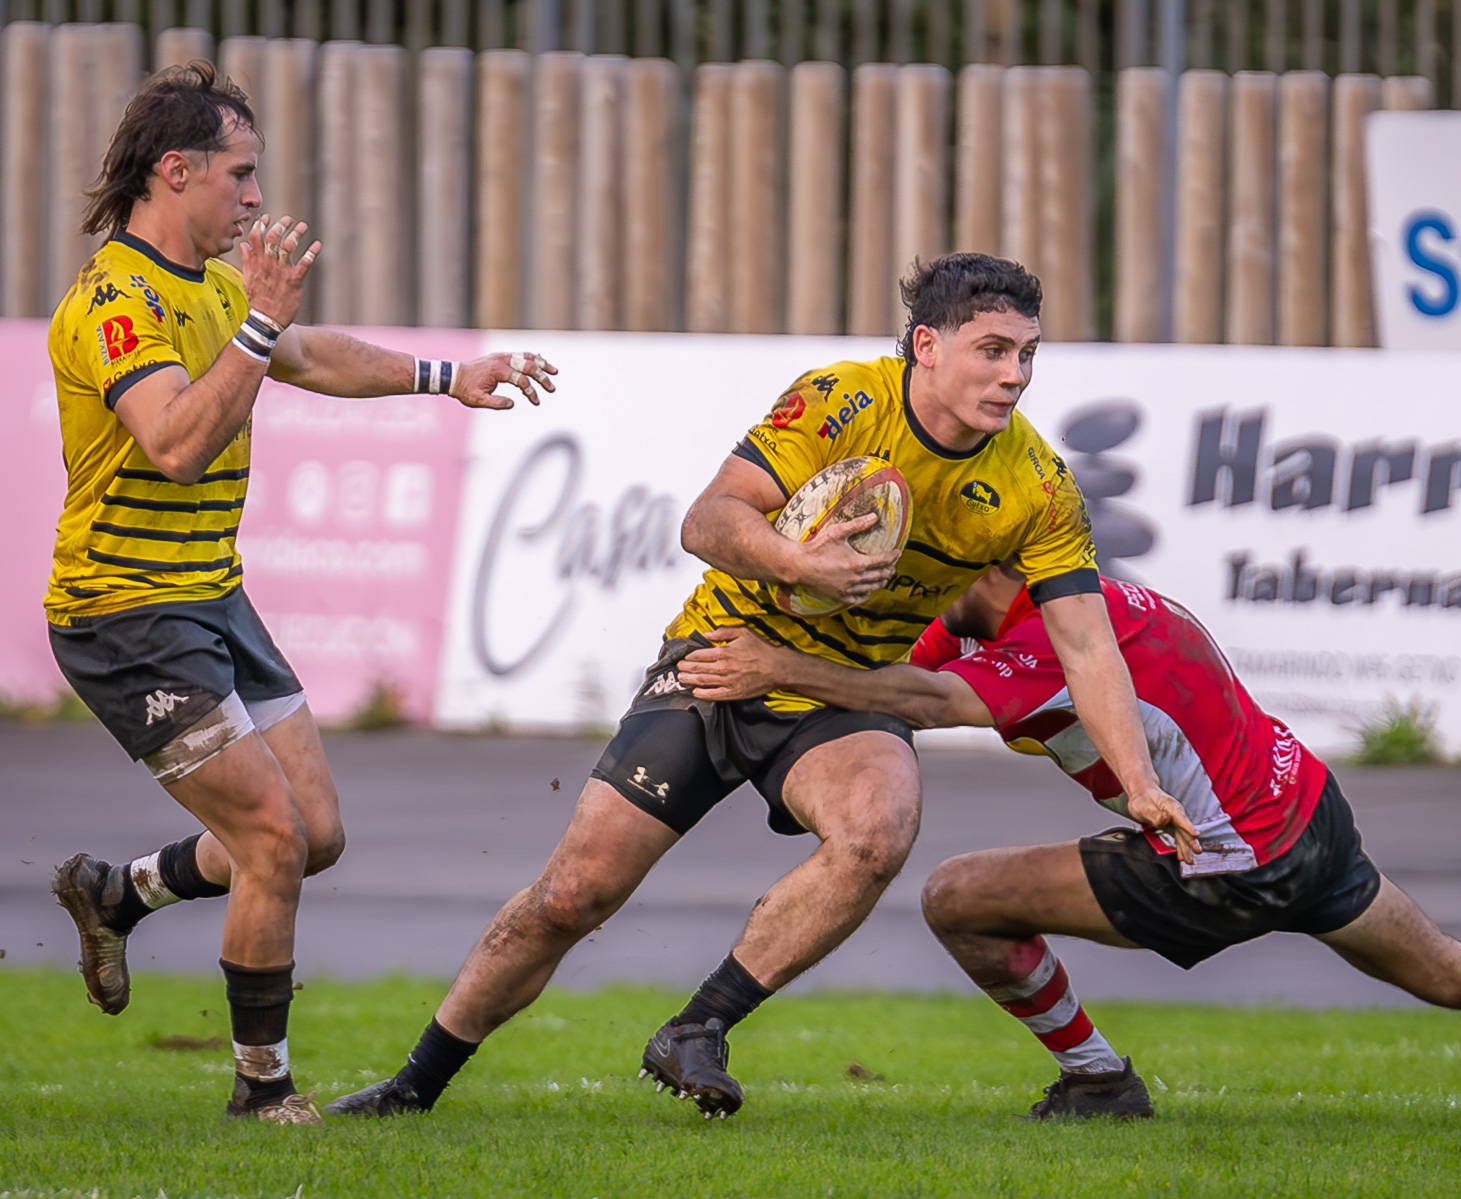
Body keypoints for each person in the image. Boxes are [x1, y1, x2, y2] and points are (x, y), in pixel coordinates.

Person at [328, 253, 1194, 1121]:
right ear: (926, 346)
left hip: (842, 692)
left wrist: (1141, 781)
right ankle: (415, 1085)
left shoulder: (1036, 485)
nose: (1014, 376)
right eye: (993, 350)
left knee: (878, 827)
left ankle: (700, 1025)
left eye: (1027, 354)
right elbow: (707, 520)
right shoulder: (841, 399)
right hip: (719, 657)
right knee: (573, 894)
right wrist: (798, 562)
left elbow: (1089, 649)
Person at [673, 563, 1461, 1121]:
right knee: (1454, 969)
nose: (915, 570)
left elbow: (923, 693)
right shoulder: (1081, 590)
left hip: (1230, 862)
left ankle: (1098, 1079)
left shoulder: (1041, 649)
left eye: (932, 558)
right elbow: (923, 651)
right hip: (1308, 807)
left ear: (981, 566)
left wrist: (787, 670)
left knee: (957, 895)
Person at [45, 63, 557, 1124]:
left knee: (312, 833)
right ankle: (260, 1089)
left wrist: (444, 378)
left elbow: (307, 355)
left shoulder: (217, 289)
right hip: (123, 612)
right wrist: (259, 327)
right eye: (239, 176)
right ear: (173, 172)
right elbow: (179, 442)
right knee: (271, 841)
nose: (253, 198)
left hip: (211, 596)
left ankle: (118, 890)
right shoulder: (112, 302)